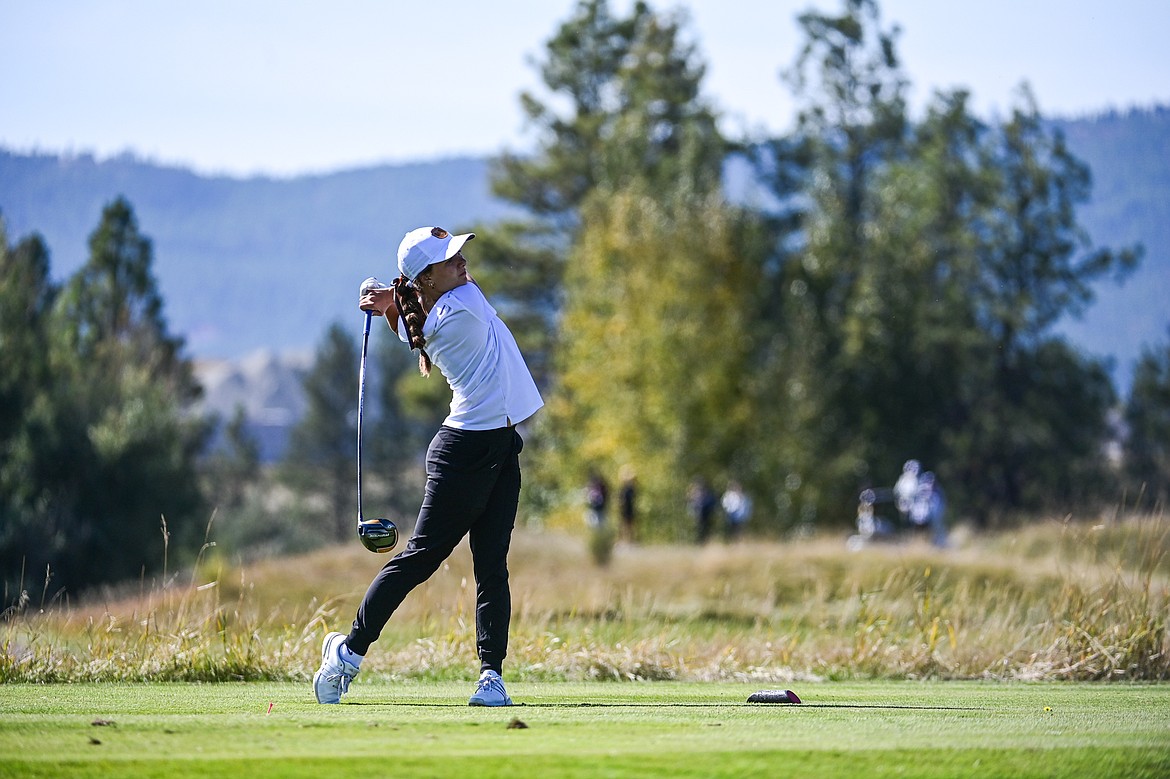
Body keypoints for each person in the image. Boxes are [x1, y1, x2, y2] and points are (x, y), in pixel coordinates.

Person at [313, 226, 543, 707]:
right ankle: (347, 654)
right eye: (449, 259)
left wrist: (387, 301)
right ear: (427, 278)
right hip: (463, 453)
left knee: (491, 569)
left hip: (499, 448)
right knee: (419, 559)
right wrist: (390, 299)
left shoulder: (435, 308)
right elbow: (413, 311)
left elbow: (407, 315)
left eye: (459, 253)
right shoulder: (463, 311)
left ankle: (490, 677)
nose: (462, 261)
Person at [687, 478, 717, 544]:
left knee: (705, 528)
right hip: (697, 515)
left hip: (706, 514)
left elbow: (711, 503)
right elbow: (690, 503)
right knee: (698, 529)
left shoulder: (707, 494)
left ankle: (704, 541)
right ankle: (699, 541)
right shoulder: (694, 494)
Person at [618, 465, 637, 543]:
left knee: (629, 525)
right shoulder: (625, 488)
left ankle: (629, 540)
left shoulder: (630, 488)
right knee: (624, 525)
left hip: (629, 508)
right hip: (625, 509)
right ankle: (625, 540)